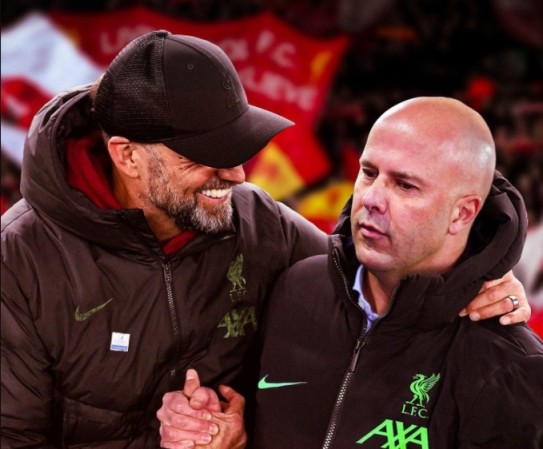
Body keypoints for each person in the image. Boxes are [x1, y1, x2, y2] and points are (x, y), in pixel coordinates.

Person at [0, 28, 529, 446]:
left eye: (237, 148)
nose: (236, 175)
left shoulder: (259, 223)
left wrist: (477, 272)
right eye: (205, 157)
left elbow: (369, 277)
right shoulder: (19, 260)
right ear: (128, 156)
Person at [158, 97, 543, 449]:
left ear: (462, 213)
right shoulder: (296, 287)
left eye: (405, 186)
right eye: (369, 173)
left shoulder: (508, 366)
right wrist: (230, 436)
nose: (371, 198)